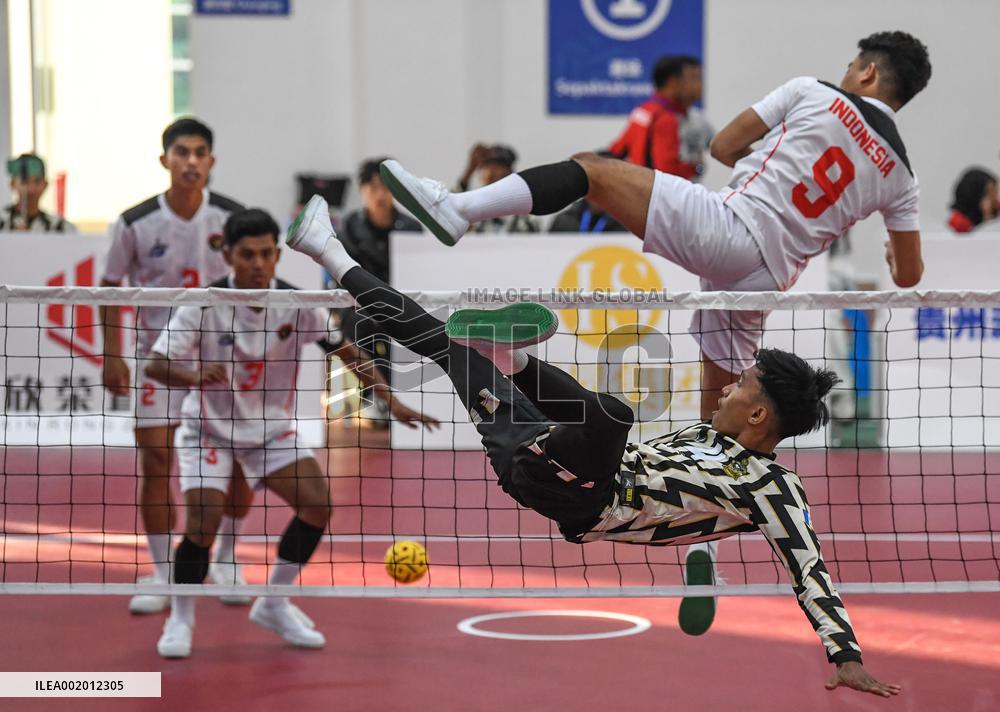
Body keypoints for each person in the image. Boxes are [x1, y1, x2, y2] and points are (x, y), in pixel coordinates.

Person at [377, 28, 930, 631]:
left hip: (729, 229)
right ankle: (702, 550)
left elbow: (723, 146)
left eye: (854, 65)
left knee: (590, 170)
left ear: (869, 73)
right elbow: (907, 274)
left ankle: (456, 209)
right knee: (723, 417)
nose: (848, 72)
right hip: (766, 278)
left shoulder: (813, 92)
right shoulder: (901, 176)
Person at [287, 194, 901, 698]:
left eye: (740, 385)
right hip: (575, 453)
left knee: (608, 414)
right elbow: (688, 500)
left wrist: (843, 653)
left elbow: (809, 570)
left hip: (573, 490)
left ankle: (509, 358)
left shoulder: (776, 488)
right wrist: (702, 538)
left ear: (761, 413)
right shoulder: (707, 438)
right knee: (456, 347)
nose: (728, 387)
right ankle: (339, 254)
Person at [146, 207, 437, 658]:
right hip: (208, 432)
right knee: (202, 523)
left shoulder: (298, 305)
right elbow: (156, 363)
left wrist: (391, 400)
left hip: (270, 432)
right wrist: (196, 375)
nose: (259, 264)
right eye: (248, 255)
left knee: (318, 506)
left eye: (266, 254)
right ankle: (180, 618)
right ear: (228, 254)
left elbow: (349, 353)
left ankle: (275, 603)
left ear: (277, 254)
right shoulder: (202, 303)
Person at [99, 117, 254, 614]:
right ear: (164, 159)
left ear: (212, 161)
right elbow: (107, 287)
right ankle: (165, 571)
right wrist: (112, 355)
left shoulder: (233, 218)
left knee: (235, 464)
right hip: (158, 362)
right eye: (181, 152)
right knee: (157, 462)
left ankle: (228, 559)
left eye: (200, 152)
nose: (191, 161)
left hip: (222, 361)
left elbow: (258, 280)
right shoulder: (135, 222)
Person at [331, 158, 422, 425]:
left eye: (385, 187)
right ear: (362, 190)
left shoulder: (412, 228)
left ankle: (401, 396)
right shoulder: (350, 226)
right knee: (363, 327)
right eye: (372, 187)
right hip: (358, 307)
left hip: (403, 305)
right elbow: (344, 275)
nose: (379, 194)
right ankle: (376, 397)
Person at [609, 55, 712, 180]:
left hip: (644, 191)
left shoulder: (643, 111)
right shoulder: (665, 119)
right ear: (673, 82)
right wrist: (696, 168)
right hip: (663, 195)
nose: (700, 85)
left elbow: (617, 150)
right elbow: (666, 171)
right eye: (694, 78)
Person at [455, 143, 538, 234]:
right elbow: (450, 210)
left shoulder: (524, 213)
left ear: (509, 172)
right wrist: (470, 169)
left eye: (496, 166)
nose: (490, 171)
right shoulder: (473, 210)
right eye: (486, 166)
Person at [1, 153, 75, 232]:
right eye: (25, 182)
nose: (31, 189)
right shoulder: (2, 222)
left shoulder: (61, 227)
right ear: (12, 184)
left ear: (45, 184)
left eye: (37, 181)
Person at [947, 167, 998, 234]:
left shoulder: (995, 207)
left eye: (995, 192)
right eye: (988, 193)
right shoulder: (958, 223)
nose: (994, 198)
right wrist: (987, 217)